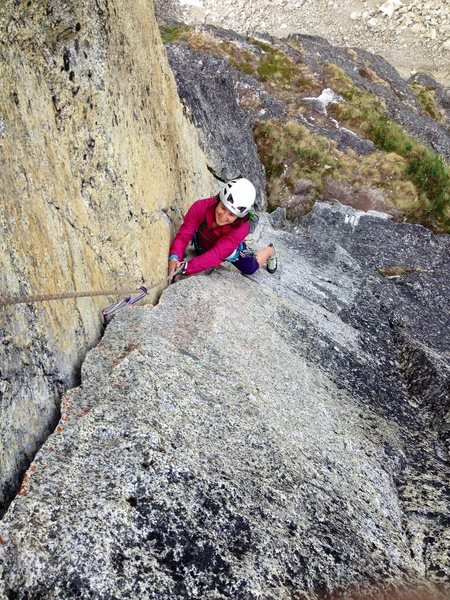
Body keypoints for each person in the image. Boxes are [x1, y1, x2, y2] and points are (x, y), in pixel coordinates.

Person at [167, 178, 277, 281]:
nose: (223, 216)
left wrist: (186, 268)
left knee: (250, 268)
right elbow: (183, 236)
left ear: (238, 217)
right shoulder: (201, 207)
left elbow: (217, 254)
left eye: (231, 214)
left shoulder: (242, 228)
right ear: (218, 200)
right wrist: (174, 256)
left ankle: (270, 250)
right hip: (203, 239)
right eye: (223, 208)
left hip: (225, 248)